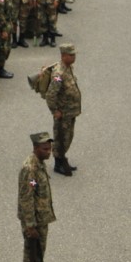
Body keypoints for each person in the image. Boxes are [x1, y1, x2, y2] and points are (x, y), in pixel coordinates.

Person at [18, 132, 56, 262]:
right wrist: (30, 225)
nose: (49, 151)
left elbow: (36, 190)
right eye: (45, 149)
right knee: (33, 251)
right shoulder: (30, 169)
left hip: (40, 217)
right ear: (35, 148)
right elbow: (26, 198)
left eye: (50, 148)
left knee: (38, 252)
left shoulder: (39, 163)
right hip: (34, 220)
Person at [45, 43, 82, 176]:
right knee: (61, 138)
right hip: (63, 113)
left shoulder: (68, 67)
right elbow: (51, 94)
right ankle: (58, 164)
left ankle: (62, 159)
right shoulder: (59, 73)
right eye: (71, 55)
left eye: (74, 54)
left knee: (68, 137)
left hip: (70, 112)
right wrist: (55, 111)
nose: (74, 57)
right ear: (63, 56)